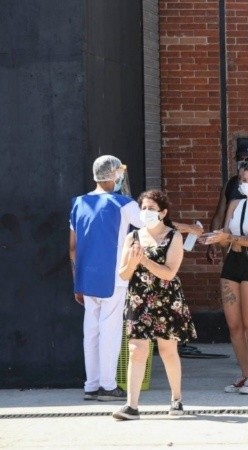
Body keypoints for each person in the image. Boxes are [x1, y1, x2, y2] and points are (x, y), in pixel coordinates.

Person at [112, 190, 197, 420]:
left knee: (167, 350)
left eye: (152, 208)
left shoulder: (173, 237)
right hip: (139, 299)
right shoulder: (133, 238)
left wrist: (145, 261)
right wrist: (132, 262)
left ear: (163, 212)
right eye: (143, 208)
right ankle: (132, 405)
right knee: (136, 350)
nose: (146, 212)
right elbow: (123, 273)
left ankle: (176, 399)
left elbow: (169, 273)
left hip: (166, 299)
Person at [200, 156, 248, 394]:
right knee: (234, 325)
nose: (246, 183)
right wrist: (212, 239)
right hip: (232, 263)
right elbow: (225, 232)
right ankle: (245, 374)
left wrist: (227, 238)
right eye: (243, 180)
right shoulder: (235, 203)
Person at [69, 156, 143, 402]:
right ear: (115, 175)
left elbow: (72, 248)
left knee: (90, 330)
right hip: (114, 275)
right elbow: (151, 227)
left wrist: (76, 280)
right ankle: (108, 386)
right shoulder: (124, 204)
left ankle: (91, 385)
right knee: (110, 331)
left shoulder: (78, 203)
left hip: (86, 276)